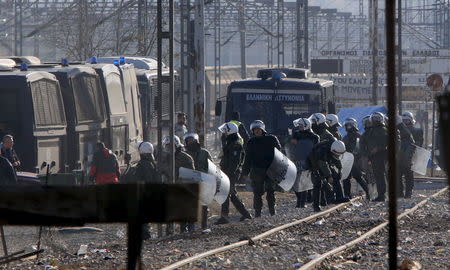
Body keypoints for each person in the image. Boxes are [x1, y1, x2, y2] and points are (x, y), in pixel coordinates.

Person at [242, 120, 281, 217]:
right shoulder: (251, 142)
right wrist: (245, 172)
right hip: (257, 170)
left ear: (262, 129)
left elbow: (279, 153)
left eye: (258, 129)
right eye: (255, 130)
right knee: (257, 192)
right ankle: (257, 212)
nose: (257, 131)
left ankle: (272, 211)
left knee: (270, 191)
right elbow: (247, 158)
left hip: (270, 169)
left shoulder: (272, 139)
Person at [215, 122, 252, 224]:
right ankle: (243, 215)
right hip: (227, 173)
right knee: (229, 194)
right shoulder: (230, 143)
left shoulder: (235, 145)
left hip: (231, 173)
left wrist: (228, 174)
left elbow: (234, 163)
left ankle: (229, 217)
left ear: (230, 132)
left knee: (229, 194)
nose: (223, 133)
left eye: (225, 132)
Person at [307, 140, 346, 212]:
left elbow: (336, 159)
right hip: (314, 164)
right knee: (318, 184)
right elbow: (322, 164)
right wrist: (329, 176)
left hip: (325, 163)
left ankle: (339, 197)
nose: (338, 155)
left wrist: (340, 169)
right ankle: (316, 205)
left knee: (336, 177)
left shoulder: (334, 147)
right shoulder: (322, 150)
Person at [289, 118, 319, 208]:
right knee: (295, 182)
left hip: (307, 160)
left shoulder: (313, 136)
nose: (299, 127)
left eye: (301, 125)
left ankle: (301, 203)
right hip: (295, 160)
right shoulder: (296, 134)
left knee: (304, 182)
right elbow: (289, 144)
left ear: (307, 125)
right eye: (299, 126)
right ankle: (300, 200)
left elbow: (315, 148)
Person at [342, 118, 370, 200]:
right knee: (346, 179)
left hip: (356, 161)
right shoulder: (345, 137)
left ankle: (368, 193)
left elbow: (362, 148)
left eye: (349, 125)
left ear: (353, 125)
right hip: (347, 161)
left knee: (359, 177)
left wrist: (360, 158)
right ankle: (347, 195)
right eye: (347, 126)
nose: (348, 127)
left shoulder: (359, 136)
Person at [364, 112, 388, 202]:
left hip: (382, 155)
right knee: (378, 176)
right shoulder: (371, 131)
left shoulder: (384, 130)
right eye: (374, 119)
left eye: (377, 119)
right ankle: (381, 194)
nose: (375, 120)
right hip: (374, 156)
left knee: (380, 176)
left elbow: (387, 142)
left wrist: (378, 148)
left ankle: (382, 195)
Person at [396, 115, 415, 198]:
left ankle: (408, 193)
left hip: (405, 158)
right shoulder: (398, 129)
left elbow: (411, 145)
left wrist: (407, 157)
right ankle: (401, 193)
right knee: (398, 176)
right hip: (399, 157)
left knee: (408, 176)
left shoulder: (404, 131)